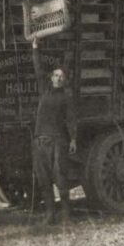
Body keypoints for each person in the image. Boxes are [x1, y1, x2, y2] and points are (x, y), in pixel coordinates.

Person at [32, 67, 77, 225]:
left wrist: (73, 139)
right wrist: (35, 45)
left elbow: (70, 118)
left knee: (60, 177)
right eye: (56, 75)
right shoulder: (44, 92)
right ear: (51, 78)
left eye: (62, 76)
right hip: (40, 141)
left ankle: (66, 216)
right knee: (43, 179)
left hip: (58, 141)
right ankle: (50, 215)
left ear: (64, 80)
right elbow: (38, 70)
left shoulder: (66, 97)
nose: (58, 79)